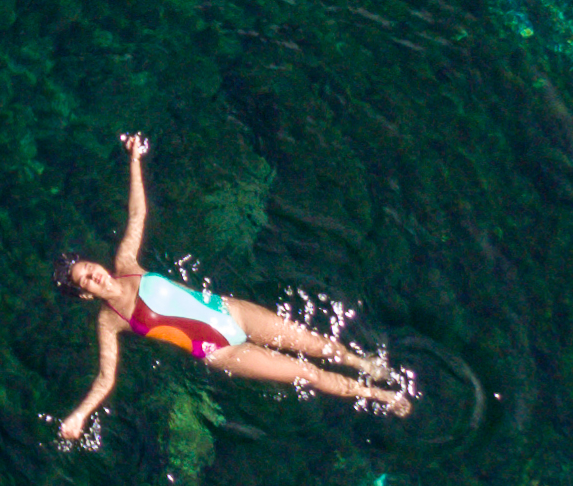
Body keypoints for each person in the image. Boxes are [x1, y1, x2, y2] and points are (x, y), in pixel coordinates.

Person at [59, 132, 410, 439]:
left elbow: (137, 214)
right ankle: (382, 397)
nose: (95, 275)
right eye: (87, 280)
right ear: (87, 294)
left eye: (90, 267)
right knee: (309, 373)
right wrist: (79, 414)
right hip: (221, 351)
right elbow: (105, 379)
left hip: (232, 312)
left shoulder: (126, 264)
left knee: (318, 344)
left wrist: (134, 160)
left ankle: (364, 364)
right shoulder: (110, 321)